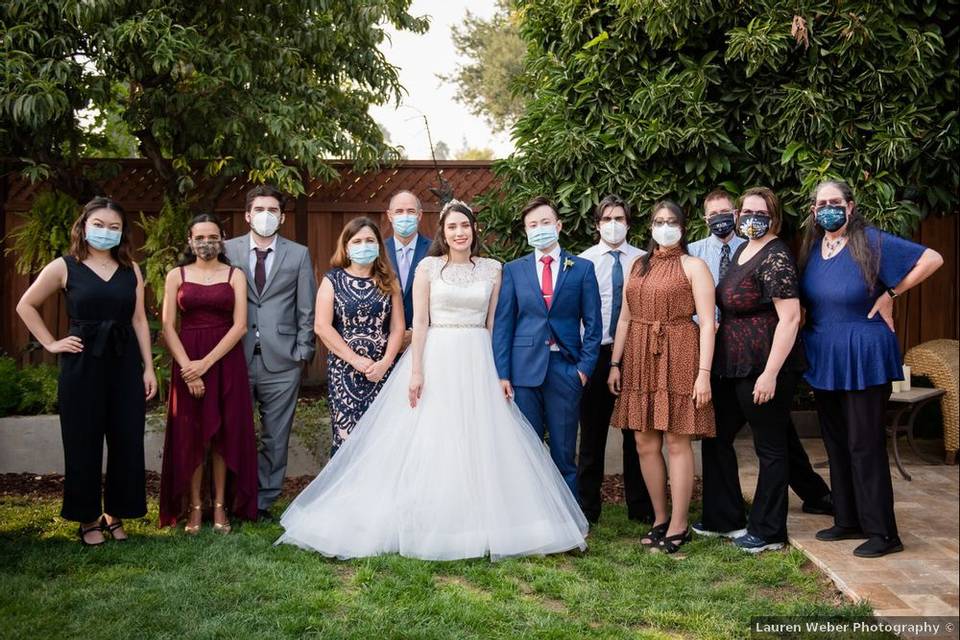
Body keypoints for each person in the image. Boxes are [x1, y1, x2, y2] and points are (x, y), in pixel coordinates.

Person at [276, 200, 587, 560]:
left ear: (474, 230)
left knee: (480, 437)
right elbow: (419, 323)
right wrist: (417, 370)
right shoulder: (428, 268)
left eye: (465, 226)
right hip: (438, 355)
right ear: (443, 232)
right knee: (435, 435)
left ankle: (483, 520)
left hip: (478, 357)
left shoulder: (493, 269)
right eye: (452, 227)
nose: (459, 233)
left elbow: (494, 325)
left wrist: (499, 372)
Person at [799, 179, 943, 558]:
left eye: (834, 202)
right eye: (820, 203)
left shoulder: (872, 241)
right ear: (814, 211)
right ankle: (848, 520)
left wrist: (890, 294)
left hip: (863, 353)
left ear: (849, 206)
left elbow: (932, 258)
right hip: (825, 354)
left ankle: (883, 532)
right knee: (835, 442)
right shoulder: (815, 248)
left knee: (864, 445)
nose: (826, 208)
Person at [690, 189, 832, 545]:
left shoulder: (776, 256)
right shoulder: (742, 249)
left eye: (760, 212)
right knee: (717, 435)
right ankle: (723, 517)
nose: (752, 217)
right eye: (747, 211)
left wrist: (770, 373)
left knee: (770, 449)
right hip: (732, 363)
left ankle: (768, 531)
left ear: (774, 216)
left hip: (764, 364)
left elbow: (790, 318)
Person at [16, 197, 157, 545]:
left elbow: (138, 319)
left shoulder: (132, 269)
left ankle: (116, 513)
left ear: (122, 233)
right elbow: (26, 305)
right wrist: (51, 343)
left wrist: (148, 368)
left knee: (126, 439)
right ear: (83, 226)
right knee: (83, 440)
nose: (105, 232)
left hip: (124, 362)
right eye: (99, 224)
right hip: (82, 363)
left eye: (114, 227)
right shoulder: (65, 266)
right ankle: (87, 518)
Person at [608, 200, 715, 554]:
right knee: (644, 441)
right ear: (650, 227)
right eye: (658, 221)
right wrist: (615, 363)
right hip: (639, 354)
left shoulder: (694, 266)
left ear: (683, 228)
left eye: (671, 221)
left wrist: (703, 374)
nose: (664, 226)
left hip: (681, 351)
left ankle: (680, 524)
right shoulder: (638, 265)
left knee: (676, 440)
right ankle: (659, 518)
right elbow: (624, 318)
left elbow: (708, 323)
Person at [493, 197, 603, 496]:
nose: (539, 229)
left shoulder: (581, 268)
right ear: (526, 231)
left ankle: (569, 521)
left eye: (545, 222)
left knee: (564, 450)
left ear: (558, 225)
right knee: (526, 448)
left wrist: (583, 369)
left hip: (565, 369)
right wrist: (503, 374)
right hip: (523, 370)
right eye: (532, 225)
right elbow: (504, 324)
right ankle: (532, 518)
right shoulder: (514, 270)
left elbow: (594, 325)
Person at [159, 215, 258, 533]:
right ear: (190, 240)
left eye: (212, 236)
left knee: (221, 438)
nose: (206, 242)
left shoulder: (235, 275)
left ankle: (219, 507)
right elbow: (166, 326)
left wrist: (205, 364)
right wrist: (190, 368)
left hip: (225, 363)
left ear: (223, 239)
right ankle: (194, 509)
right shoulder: (176, 275)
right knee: (191, 437)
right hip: (185, 361)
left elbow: (240, 325)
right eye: (199, 237)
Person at [224, 185, 317, 521]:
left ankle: (262, 501)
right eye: (259, 209)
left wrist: (302, 352)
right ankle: (233, 498)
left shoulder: (298, 254)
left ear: (281, 216)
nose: (266, 215)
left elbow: (307, 307)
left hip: (283, 360)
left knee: (275, 436)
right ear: (248, 214)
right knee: (235, 431)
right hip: (235, 356)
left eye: (273, 210)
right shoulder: (226, 250)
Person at [577, 195, 653, 524]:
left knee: (636, 433)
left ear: (629, 223)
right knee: (592, 435)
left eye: (619, 218)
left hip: (635, 353)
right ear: (596, 224)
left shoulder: (644, 260)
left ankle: (640, 508)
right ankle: (587, 509)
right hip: (595, 352)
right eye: (607, 218)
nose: (613, 224)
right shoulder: (583, 262)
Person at [315, 217, 404, 455]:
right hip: (345, 371)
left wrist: (385, 364)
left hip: (383, 370)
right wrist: (354, 359)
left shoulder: (389, 280)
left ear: (378, 246)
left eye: (369, 240)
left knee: (383, 437)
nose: (364, 245)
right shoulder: (332, 279)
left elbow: (397, 328)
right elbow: (322, 327)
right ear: (346, 247)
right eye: (357, 241)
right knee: (348, 438)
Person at [384, 190, 432, 340]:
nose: (405, 216)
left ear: (419, 215)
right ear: (389, 216)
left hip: (426, 339)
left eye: (410, 211)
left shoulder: (435, 251)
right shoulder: (378, 251)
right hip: (384, 341)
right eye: (399, 211)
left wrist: (416, 333)